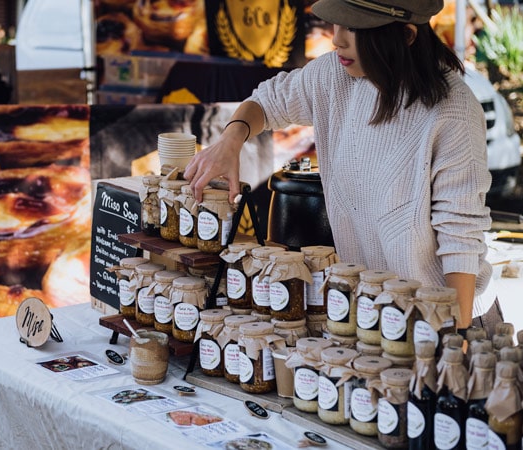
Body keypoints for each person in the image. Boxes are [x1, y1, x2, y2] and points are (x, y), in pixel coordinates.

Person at [183, 0, 502, 336]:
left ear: (406, 35)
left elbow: (461, 241)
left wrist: (457, 339)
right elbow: (267, 101)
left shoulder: (453, 112)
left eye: (355, 28)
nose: (337, 39)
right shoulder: (335, 76)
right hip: (377, 316)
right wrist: (231, 140)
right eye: (336, 23)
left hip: (449, 318)